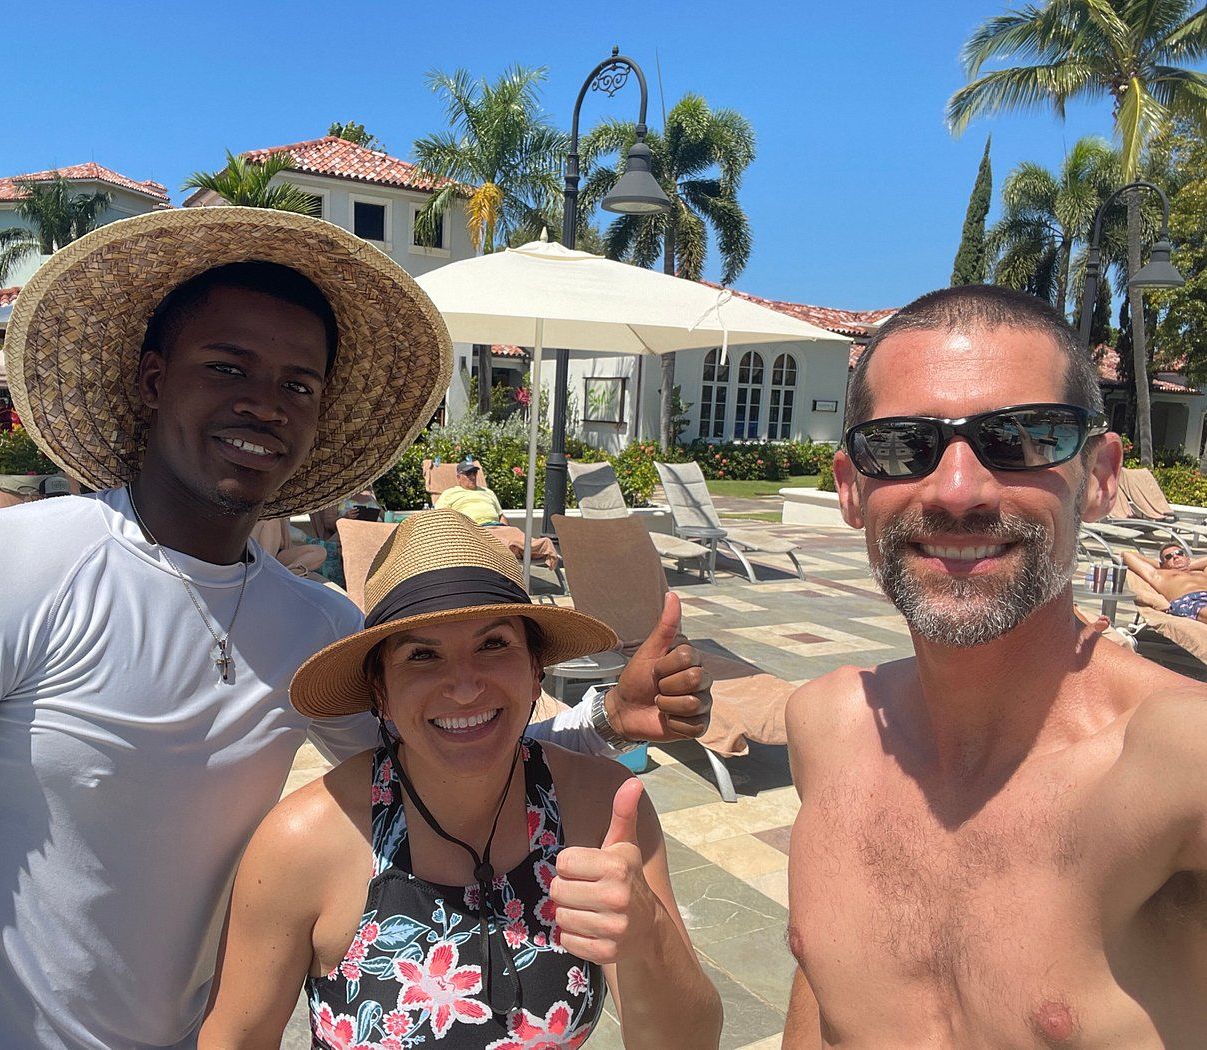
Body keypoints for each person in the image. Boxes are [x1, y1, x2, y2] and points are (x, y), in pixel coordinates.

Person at [0, 208, 712, 1049]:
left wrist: (601, 721)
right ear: (153, 379)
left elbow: (443, 745)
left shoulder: (310, 625)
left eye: (298, 383)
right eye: (227, 367)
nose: (264, 404)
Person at [781, 284, 1207, 1048]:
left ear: (1101, 477)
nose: (957, 491)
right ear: (851, 488)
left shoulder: (1178, 763)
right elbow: (824, 1002)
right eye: (901, 444)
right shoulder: (827, 727)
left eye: (1024, 437)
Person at [200, 510, 722, 1048]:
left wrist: (646, 935)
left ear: (534, 668)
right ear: (380, 691)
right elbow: (234, 1039)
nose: (465, 687)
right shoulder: (306, 843)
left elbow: (688, 1039)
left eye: (493, 644)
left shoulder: (601, 813)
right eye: (422, 655)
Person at [439, 457, 559, 569]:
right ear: (458, 477)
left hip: (499, 528)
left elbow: (501, 516)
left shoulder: (488, 492)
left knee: (526, 539)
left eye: (474, 473)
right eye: (468, 474)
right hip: (477, 530)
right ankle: (515, 553)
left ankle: (526, 548)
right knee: (501, 543)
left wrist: (507, 529)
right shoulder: (449, 494)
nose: (473, 477)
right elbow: (441, 517)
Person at [1123, 544, 1207, 621]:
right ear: (1163, 564)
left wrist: (1188, 566)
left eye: (1179, 553)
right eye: (1168, 557)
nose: (1175, 557)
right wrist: (1161, 566)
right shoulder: (1160, 575)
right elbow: (1126, 555)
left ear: (1187, 558)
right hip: (1192, 601)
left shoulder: (1201, 571)